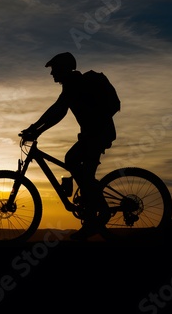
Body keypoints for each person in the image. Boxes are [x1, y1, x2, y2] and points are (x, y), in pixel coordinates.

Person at [21, 52, 117, 240]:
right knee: (77, 166)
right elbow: (59, 111)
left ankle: (101, 213)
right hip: (93, 134)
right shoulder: (72, 84)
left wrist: (35, 129)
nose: (52, 74)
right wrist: (36, 130)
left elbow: (57, 110)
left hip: (97, 135)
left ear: (63, 68)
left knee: (77, 165)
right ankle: (91, 211)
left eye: (54, 69)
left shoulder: (74, 83)